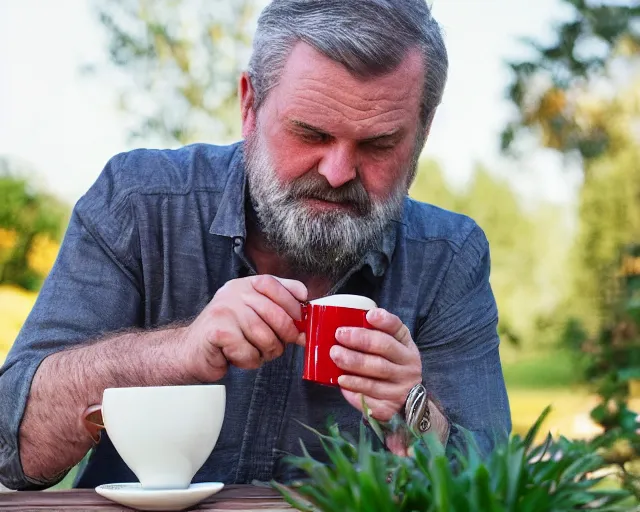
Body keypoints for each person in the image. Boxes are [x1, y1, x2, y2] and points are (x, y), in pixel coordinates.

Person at [0, 0, 511, 491]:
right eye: (310, 134)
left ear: (420, 135)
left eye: (378, 145)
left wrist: (412, 410)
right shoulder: (139, 203)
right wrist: (179, 350)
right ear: (249, 104)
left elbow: (500, 488)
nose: (337, 173)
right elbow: (14, 447)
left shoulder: (447, 257)